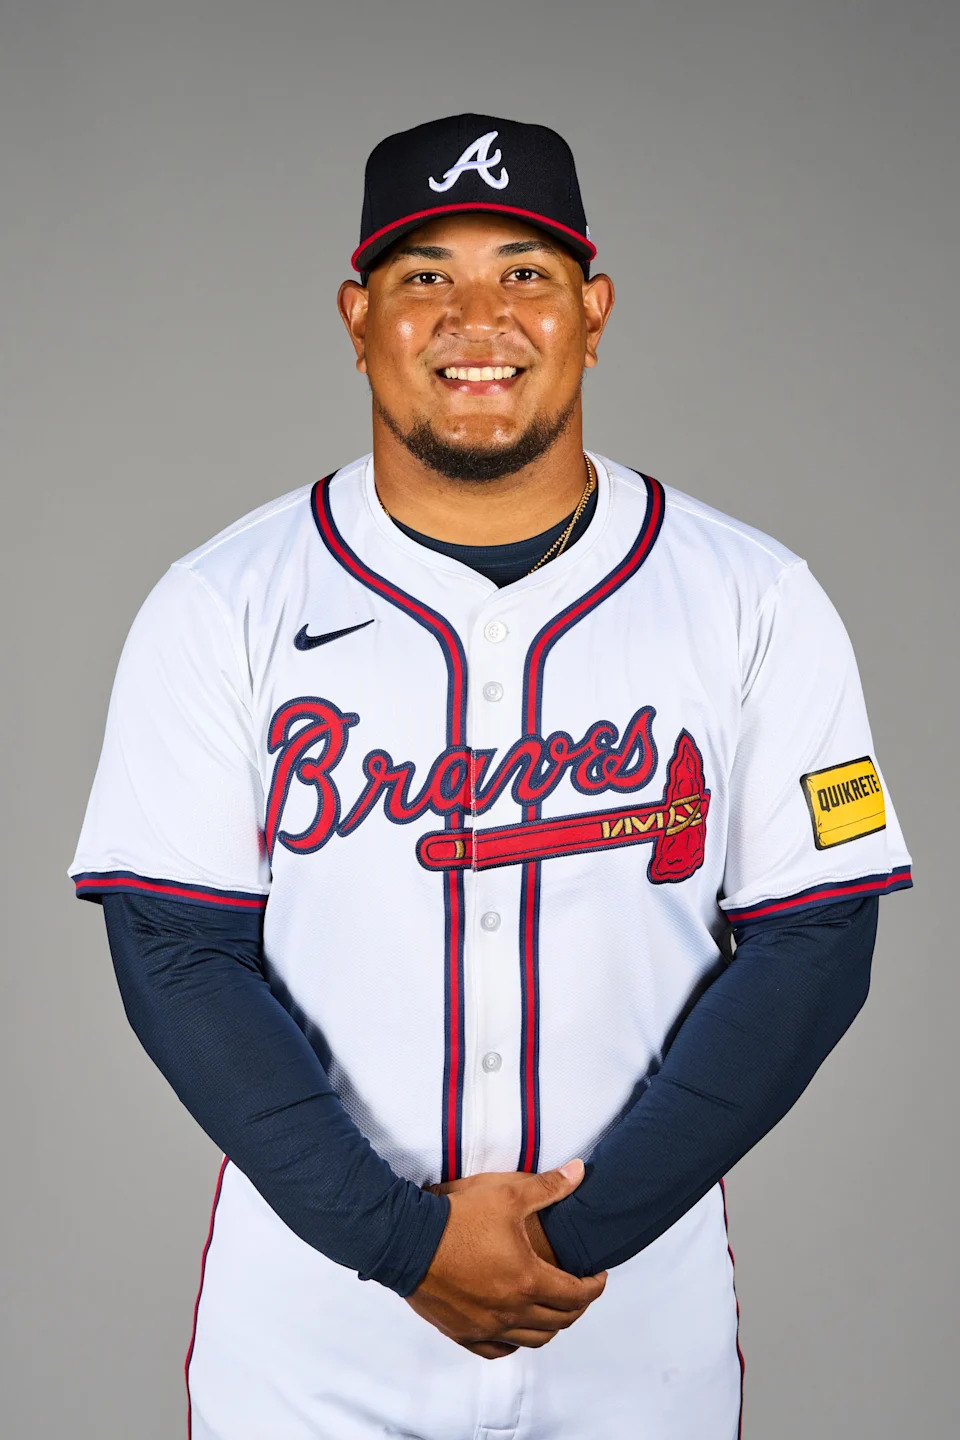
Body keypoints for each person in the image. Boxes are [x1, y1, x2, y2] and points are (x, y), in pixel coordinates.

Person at [70, 113, 912, 1440]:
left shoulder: (755, 597)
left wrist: (575, 1237)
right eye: (426, 277)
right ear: (357, 317)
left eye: (525, 271)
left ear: (594, 311)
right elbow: (175, 951)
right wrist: (400, 1243)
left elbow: (816, 943)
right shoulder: (220, 603)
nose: (480, 318)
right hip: (316, 1337)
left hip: (636, 1326)